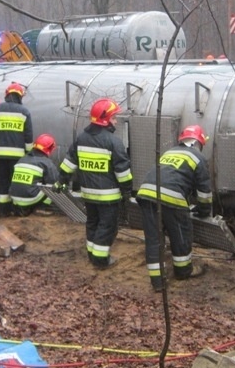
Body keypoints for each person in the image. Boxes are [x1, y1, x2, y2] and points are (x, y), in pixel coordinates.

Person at [136, 125, 213, 291]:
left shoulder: (169, 152)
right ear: (199, 142)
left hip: (146, 194)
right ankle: (183, 271)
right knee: (180, 235)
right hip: (171, 198)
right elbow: (204, 191)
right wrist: (204, 211)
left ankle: (158, 282)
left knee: (154, 240)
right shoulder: (198, 157)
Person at [57, 98, 132, 269]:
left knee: (92, 223)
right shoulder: (114, 142)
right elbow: (123, 172)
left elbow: (69, 163)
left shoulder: (81, 139)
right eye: (113, 118)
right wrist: (127, 191)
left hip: (88, 194)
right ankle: (100, 260)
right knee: (107, 227)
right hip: (108, 197)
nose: (116, 121)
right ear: (105, 120)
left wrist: (62, 181)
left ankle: (92, 253)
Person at [0, 83, 33, 216]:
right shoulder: (24, 112)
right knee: (16, 183)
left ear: (7, 94)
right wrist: (28, 154)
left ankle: (3, 211)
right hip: (18, 156)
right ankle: (17, 210)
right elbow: (28, 136)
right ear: (20, 96)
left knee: (3, 182)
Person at [9, 134, 58, 216]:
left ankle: (22, 209)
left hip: (14, 198)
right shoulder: (46, 163)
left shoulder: (22, 159)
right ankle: (42, 208)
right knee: (53, 187)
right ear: (49, 149)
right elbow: (54, 180)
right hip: (30, 199)